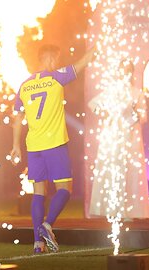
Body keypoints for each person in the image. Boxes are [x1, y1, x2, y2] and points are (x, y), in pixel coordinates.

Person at [10, 44, 95, 254]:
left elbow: (17, 119)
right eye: (55, 59)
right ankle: (47, 225)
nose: (56, 63)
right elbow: (82, 63)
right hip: (54, 143)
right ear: (50, 59)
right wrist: (96, 46)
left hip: (33, 146)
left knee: (38, 192)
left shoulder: (24, 85)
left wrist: (15, 146)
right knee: (65, 189)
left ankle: (38, 244)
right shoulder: (56, 77)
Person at [87, 60, 149, 220]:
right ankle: (112, 209)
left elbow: (143, 116)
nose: (125, 73)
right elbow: (93, 103)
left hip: (130, 138)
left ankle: (128, 210)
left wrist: (133, 115)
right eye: (123, 70)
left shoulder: (137, 93)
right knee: (113, 169)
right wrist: (103, 112)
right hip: (113, 137)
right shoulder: (111, 91)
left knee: (129, 172)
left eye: (128, 70)